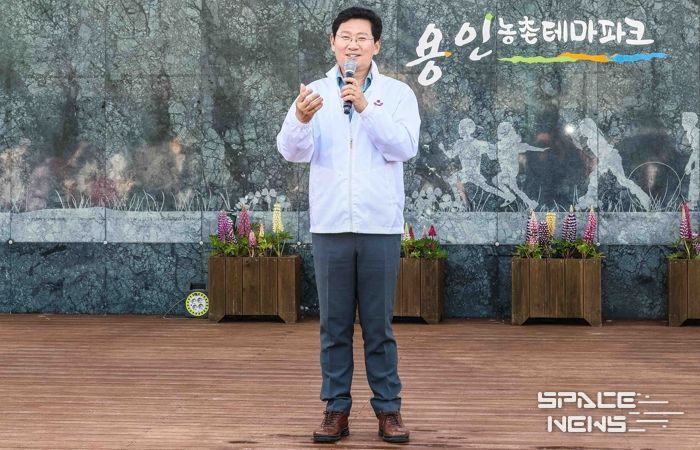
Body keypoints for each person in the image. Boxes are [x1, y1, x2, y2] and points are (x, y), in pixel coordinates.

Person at [276, 6, 420, 444]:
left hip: (379, 225)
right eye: (345, 37)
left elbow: (404, 147)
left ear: (376, 45)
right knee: (334, 325)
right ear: (332, 43)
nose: (352, 45)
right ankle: (336, 409)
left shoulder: (397, 94)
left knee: (378, 326)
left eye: (361, 38)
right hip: (331, 224)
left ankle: (388, 410)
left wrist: (365, 106)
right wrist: (300, 119)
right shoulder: (314, 93)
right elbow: (291, 152)